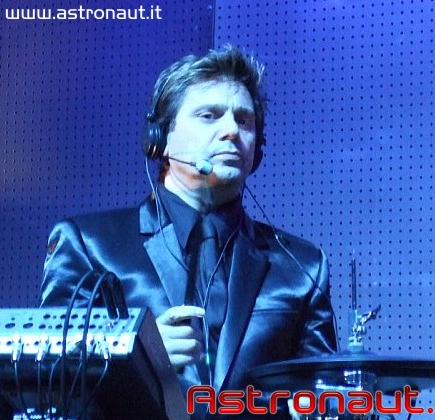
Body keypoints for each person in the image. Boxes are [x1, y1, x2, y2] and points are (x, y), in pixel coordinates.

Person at [40, 45, 337, 417]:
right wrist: (134, 356)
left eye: (244, 121)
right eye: (210, 116)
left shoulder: (301, 266)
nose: (231, 131)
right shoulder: (89, 244)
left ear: (258, 149)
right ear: (160, 139)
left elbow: (327, 397)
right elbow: (47, 378)